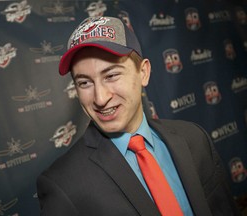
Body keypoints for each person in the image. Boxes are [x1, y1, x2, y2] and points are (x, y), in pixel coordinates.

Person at [37, 16, 240, 216]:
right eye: (84, 83)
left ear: (143, 72)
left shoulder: (194, 138)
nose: (100, 98)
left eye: (111, 75)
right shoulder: (63, 185)